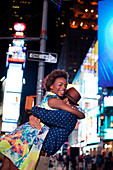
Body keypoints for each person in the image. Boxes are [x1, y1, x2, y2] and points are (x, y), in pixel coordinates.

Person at [0, 70, 85, 170]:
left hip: (26, 138)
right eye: (60, 85)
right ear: (51, 86)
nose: (63, 88)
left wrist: (34, 112)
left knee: (7, 162)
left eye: (64, 86)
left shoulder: (55, 104)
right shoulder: (55, 101)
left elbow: (41, 112)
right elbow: (80, 115)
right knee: (10, 164)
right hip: (28, 140)